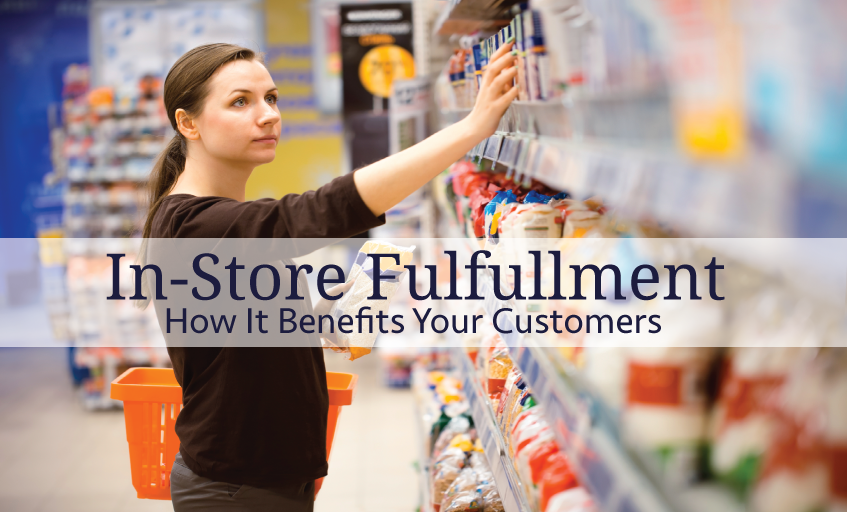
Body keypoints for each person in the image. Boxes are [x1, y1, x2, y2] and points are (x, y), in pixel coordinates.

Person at [144, 42, 517, 511]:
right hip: (236, 485)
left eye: (271, 98)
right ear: (188, 123)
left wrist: (326, 313)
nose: (267, 115)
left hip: (267, 471)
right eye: (241, 101)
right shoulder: (199, 224)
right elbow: (328, 208)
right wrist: (471, 128)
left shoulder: (217, 221)